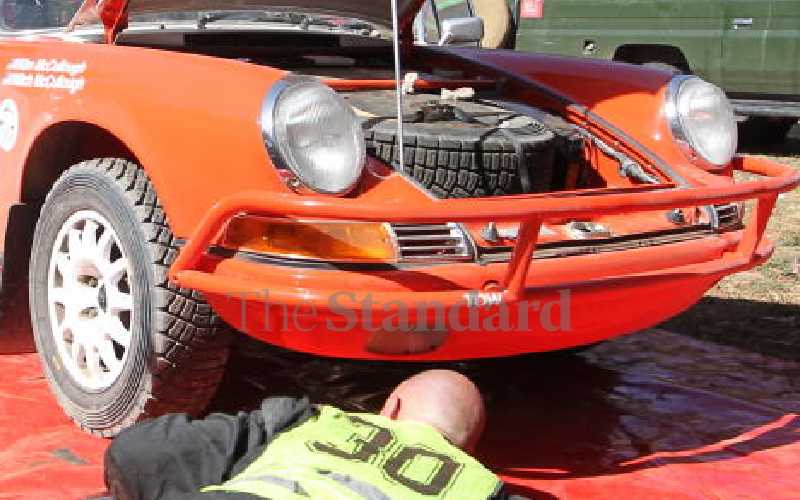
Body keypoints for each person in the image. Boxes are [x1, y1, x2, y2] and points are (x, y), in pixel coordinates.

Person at [104, 369, 525, 499]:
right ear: (469, 449)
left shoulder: (313, 421)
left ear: (391, 408)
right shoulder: (480, 487)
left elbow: (139, 454)